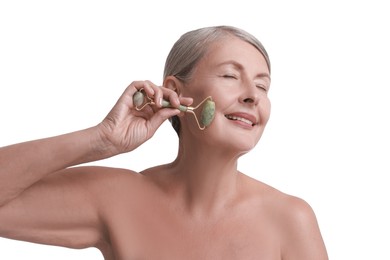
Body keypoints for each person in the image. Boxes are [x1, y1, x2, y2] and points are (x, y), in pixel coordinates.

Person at [0, 25, 328, 259]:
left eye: (262, 85)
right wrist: (102, 140)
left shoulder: (289, 218)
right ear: (176, 92)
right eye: (230, 76)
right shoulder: (117, 198)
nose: (252, 96)